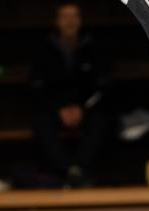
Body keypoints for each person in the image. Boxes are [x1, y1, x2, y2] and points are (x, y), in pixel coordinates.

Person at [31, 3, 109, 187]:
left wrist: (82, 109)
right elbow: (37, 87)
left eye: (74, 16)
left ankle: (80, 170)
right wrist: (59, 110)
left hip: (86, 108)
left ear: (80, 20)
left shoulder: (93, 48)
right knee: (41, 123)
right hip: (55, 109)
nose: (70, 21)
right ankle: (68, 171)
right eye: (65, 16)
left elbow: (103, 85)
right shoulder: (44, 50)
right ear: (57, 21)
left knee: (103, 121)